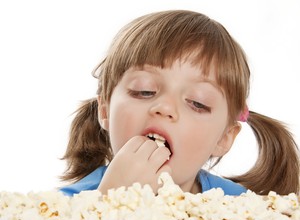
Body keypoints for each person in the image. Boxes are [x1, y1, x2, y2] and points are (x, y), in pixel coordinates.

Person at [60, 10, 299, 197]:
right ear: (105, 110)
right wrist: (110, 204)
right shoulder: (59, 213)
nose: (164, 108)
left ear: (224, 137)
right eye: (144, 90)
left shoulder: (245, 212)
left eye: (197, 103)